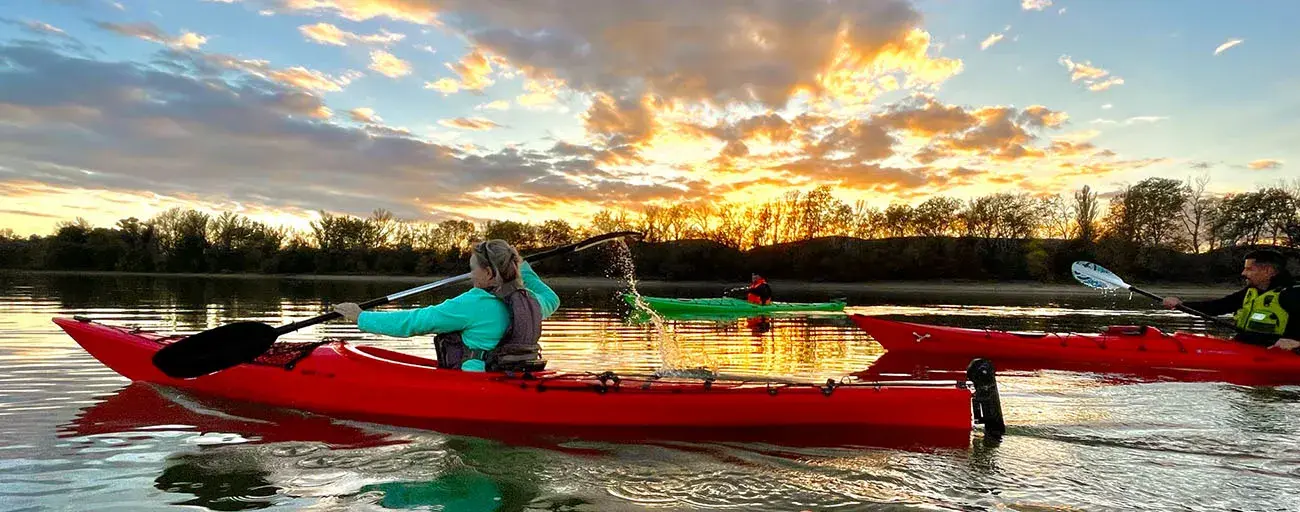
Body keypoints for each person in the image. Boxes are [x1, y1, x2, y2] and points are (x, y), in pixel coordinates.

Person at [333, 239, 559, 371]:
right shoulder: (530, 301)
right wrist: (524, 269)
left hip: (474, 387)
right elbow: (552, 298)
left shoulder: (474, 303)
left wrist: (361, 317)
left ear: (489, 273)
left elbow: (415, 322)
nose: (471, 276)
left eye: (473, 269)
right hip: (511, 379)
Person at [1163, 249, 1299, 350]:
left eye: (1249, 269)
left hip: (1276, 354)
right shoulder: (1251, 292)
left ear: (1268, 271)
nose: (1243, 273)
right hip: (1246, 347)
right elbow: (1218, 306)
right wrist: (1180, 305)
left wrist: (1295, 340)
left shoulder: (1292, 293)